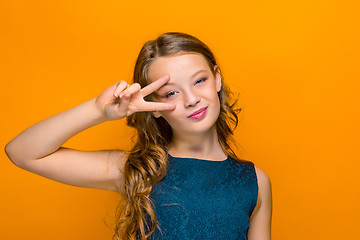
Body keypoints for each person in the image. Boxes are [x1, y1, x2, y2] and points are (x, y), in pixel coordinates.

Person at [5, 32, 272, 240]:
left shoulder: (254, 181)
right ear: (152, 106)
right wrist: (98, 110)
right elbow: (22, 152)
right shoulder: (140, 170)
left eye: (199, 80)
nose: (192, 99)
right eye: (171, 93)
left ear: (217, 79)